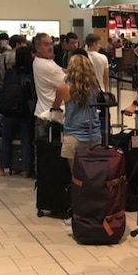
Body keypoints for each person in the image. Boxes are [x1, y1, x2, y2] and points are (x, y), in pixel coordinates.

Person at [51, 52, 102, 226]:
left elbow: (55, 108)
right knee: (93, 177)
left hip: (73, 137)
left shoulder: (64, 89)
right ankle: (96, 210)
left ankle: (78, 214)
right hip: (94, 136)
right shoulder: (94, 88)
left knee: (77, 178)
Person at [0, 47, 35, 178]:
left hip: (9, 110)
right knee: (26, 140)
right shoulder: (31, 72)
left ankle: (2, 168)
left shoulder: (10, 72)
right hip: (25, 110)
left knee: (6, 139)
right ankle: (26, 169)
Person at [32, 32, 66, 138]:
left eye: (51, 44)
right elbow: (69, 84)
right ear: (38, 47)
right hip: (50, 117)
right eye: (46, 45)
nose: (51, 48)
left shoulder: (42, 61)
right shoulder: (47, 66)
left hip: (45, 114)